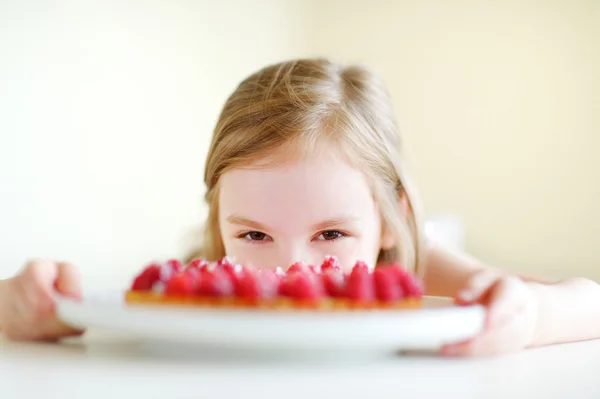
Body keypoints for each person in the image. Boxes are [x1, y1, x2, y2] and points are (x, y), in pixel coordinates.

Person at [1, 58, 599, 356]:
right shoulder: (200, 280)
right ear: (219, 220)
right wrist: (21, 309)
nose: (293, 269)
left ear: (390, 217)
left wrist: (529, 318)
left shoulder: (422, 272)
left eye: (333, 234)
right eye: (255, 236)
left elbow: (590, 305)